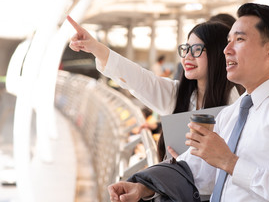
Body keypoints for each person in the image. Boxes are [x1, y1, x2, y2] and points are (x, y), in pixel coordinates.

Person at [107, 3, 269, 202]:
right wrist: (142, 186)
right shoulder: (235, 111)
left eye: (239, 40)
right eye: (228, 41)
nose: (227, 50)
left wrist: (230, 162)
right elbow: (198, 168)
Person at [67, 16, 241, 160]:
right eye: (186, 49)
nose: (187, 57)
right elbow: (138, 79)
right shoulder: (177, 94)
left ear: (218, 55)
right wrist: (95, 48)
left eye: (196, 50)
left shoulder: (237, 107)